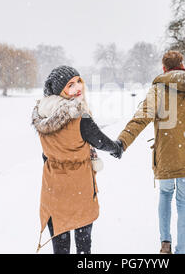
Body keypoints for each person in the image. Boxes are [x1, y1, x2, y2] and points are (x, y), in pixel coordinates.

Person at [114, 51, 185, 254]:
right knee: (184, 202)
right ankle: (181, 250)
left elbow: (141, 118)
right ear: (182, 64)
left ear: (164, 68)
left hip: (167, 154)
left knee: (166, 194)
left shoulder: (158, 89)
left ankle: (165, 244)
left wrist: (123, 141)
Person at [31, 65, 122, 254]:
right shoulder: (79, 115)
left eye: (78, 81)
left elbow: (46, 154)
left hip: (52, 189)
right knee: (83, 246)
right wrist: (117, 147)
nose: (77, 87)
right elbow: (100, 141)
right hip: (79, 189)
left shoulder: (41, 114)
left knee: (60, 247)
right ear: (60, 90)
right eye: (70, 84)